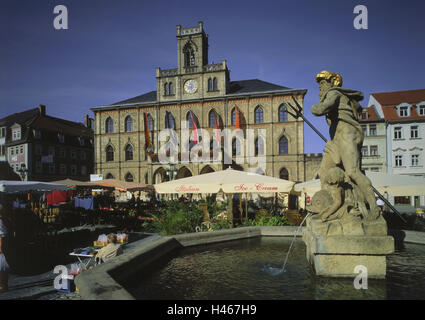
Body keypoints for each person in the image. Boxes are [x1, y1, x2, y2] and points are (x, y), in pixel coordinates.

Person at [311, 70, 379, 220]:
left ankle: (374, 208)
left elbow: (322, 108)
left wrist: (313, 108)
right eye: (320, 84)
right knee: (323, 173)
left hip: (347, 135)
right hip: (336, 139)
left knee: (353, 172)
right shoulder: (331, 94)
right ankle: (329, 207)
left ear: (331, 83)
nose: (320, 87)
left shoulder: (334, 93)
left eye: (322, 83)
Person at [0, 204, 10, 292]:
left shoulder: (0, 221)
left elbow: (2, 236)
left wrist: (0, 247)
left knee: (2, 267)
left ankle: (3, 285)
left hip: (1, 247)